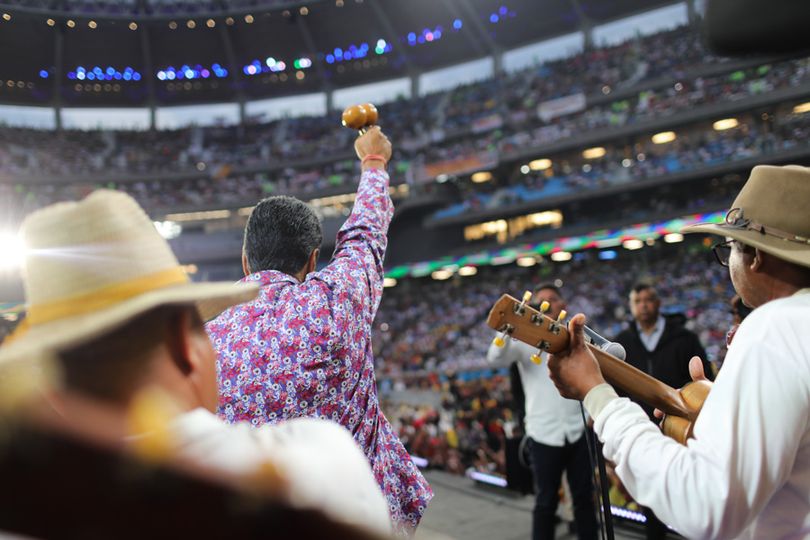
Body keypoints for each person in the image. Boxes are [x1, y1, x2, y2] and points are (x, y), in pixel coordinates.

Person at [0, 190, 392, 537]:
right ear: (182, 344)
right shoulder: (321, 461)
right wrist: (373, 163)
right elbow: (365, 241)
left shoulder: (35, 510)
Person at [546, 164, 810, 538]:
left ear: (757, 257)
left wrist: (599, 397)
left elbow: (707, 507)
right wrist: (724, 411)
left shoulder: (774, 329)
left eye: (728, 250)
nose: (727, 263)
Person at [206, 126, 431, 532]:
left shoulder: (203, 343)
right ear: (313, 261)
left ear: (244, 260)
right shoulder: (333, 302)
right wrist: (374, 163)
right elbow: (365, 233)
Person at [487, 284, 597, 540]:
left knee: (584, 498)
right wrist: (508, 327)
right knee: (545, 501)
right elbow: (494, 358)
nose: (546, 305)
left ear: (563, 305)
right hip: (543, 432)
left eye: (552, 300)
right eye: (541, 301)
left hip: (578, 429)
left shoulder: (577, 339)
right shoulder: (523, 343)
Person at [614, 283, 712, 538]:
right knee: (651, 503)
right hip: (642, 430)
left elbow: (704, 384)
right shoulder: (622, 343)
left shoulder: (684, 338)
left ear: (658, 304)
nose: (644, 305)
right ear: (631, 306)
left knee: (690, 495)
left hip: (681, 430)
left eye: (648, 300)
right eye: (638, 301)